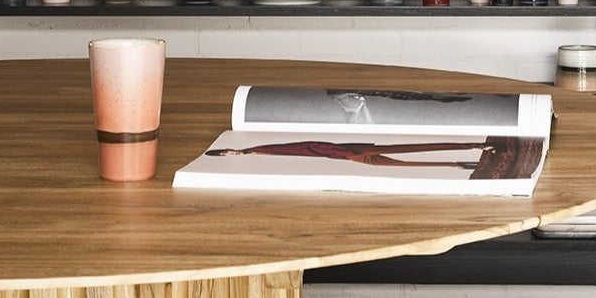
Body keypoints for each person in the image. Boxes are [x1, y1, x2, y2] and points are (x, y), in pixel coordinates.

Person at [206, 139, 496, 169]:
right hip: (352, 157)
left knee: (409, 151)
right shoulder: (257, 155)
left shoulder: (260, 148)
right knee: (407, 161)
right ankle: (463, 160)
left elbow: (312, 146)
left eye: (225, 153)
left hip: (353, 151)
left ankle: (472, 147)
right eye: (226, 156)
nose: (230, 154)